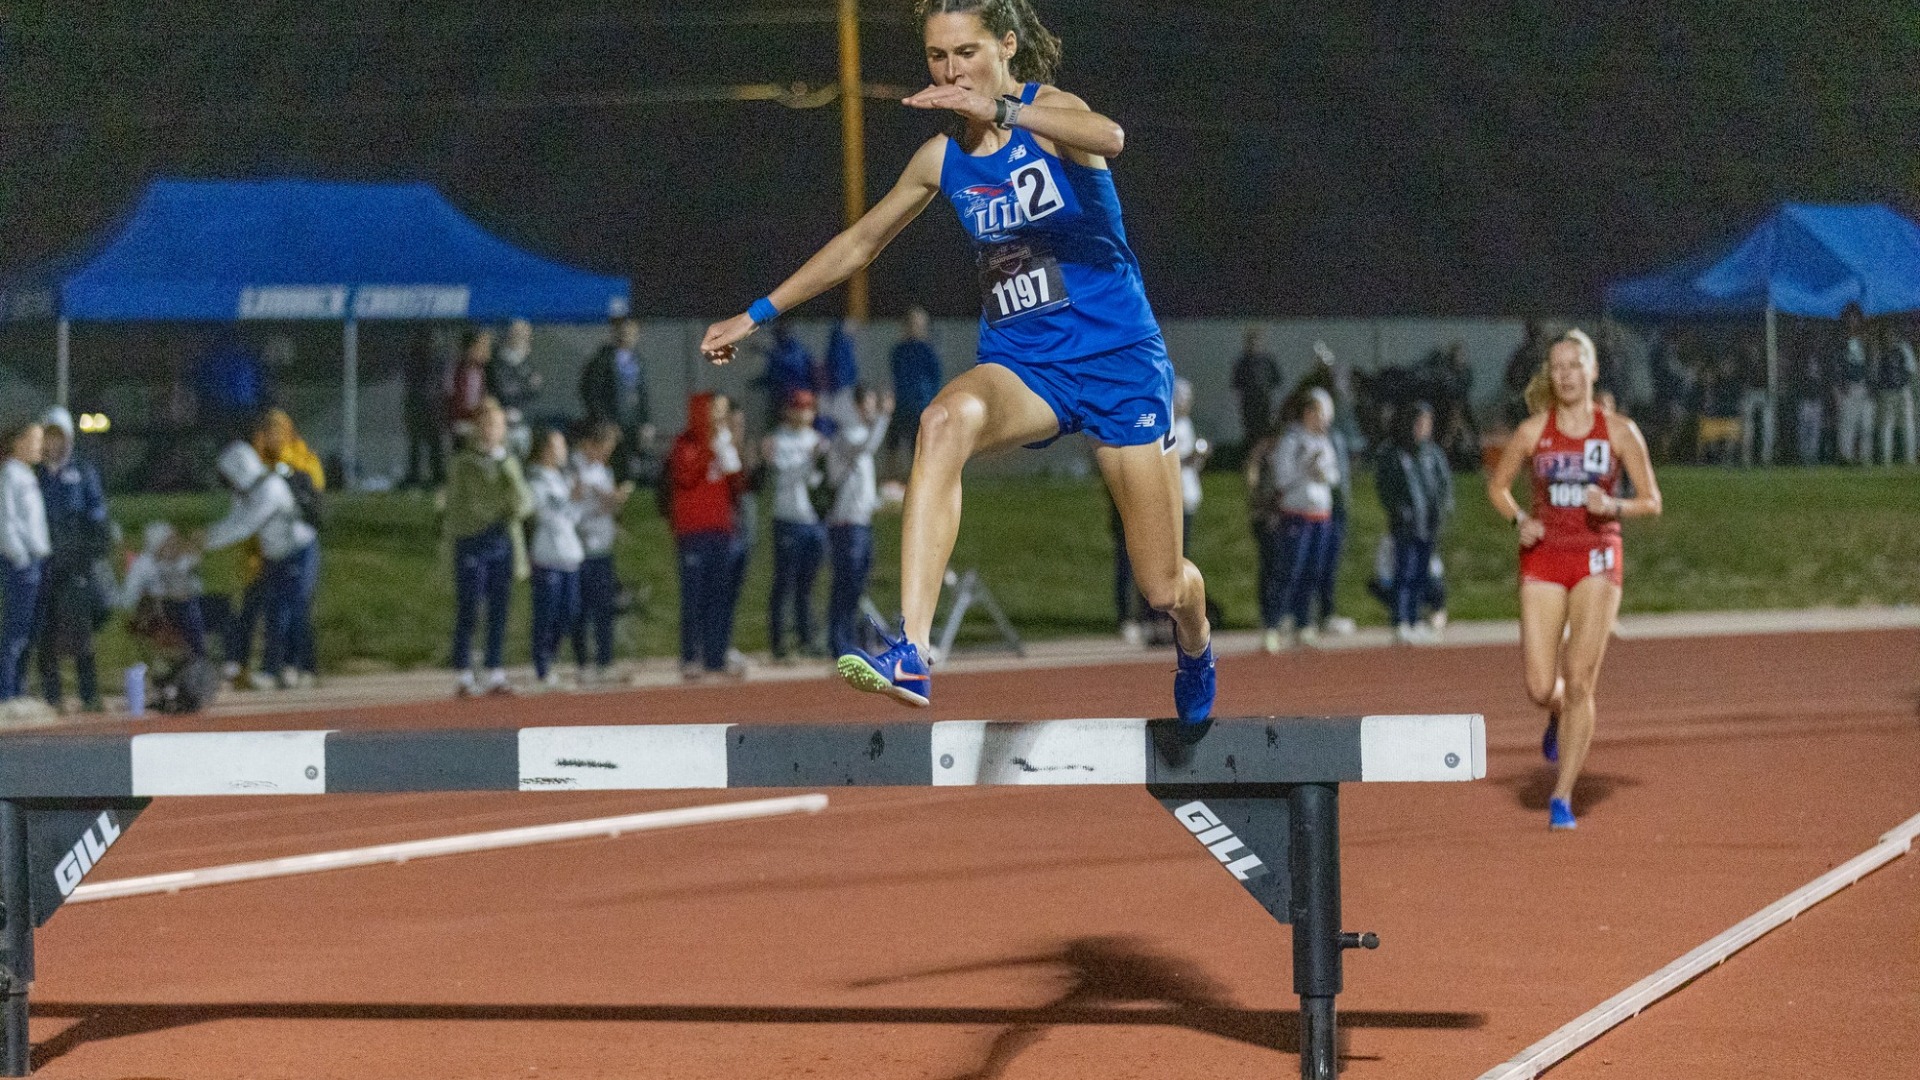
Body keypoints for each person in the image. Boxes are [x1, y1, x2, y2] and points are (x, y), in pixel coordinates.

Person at [699, 0, 1217, 719]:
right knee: (941, 422)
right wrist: (755, 314)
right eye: (939, 57)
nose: (951, 71)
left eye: (966, 53)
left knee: (1163, 586)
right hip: (1024, 365)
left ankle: (1196, 643)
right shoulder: (940, 160)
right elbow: (859, 244)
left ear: (1005, 47)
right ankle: (912, 650)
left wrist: (1005, 106)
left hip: (1118, 362)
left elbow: (1112, 136)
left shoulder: (1051, 111)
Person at [1486, 329, 1662, 831]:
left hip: (1598, 556)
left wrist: (1615, 505)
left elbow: (1652, 501)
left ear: (1593, 371)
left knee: (1581, 679)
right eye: (1556, 367)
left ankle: (1562, 795)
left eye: (1574, 365)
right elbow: (1498, 488)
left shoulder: (1621, 432)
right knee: (1542, 686)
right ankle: (1556, 712)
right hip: (1544, 557)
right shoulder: (1532, 431)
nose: (1565, 375)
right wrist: (1520, 521)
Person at [200, 440, 321, 692]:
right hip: (276, 556)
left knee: (292, 611)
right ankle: (284, 668)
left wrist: (205, 540)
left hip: (299, 551)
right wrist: (208, 537)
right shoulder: (246, 494)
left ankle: (292, 668)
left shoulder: (271, 488)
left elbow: (245, 526)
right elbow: (236, 520)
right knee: (276, 612)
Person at [443, 398, 533, 697]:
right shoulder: (464, 463)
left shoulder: (508, 461)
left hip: (501, 542)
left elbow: (524, 503)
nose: (491, 430)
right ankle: (465, 672)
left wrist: (508, 473)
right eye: (486, 424)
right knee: (469, 607)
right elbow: (463, 507)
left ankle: (495, 670)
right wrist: (497, 510)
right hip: (472, 541)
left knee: (499, 608)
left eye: (497, 425)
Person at [33, 407, 111, 712]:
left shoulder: (83, 472)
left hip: (75, 563)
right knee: (46, 631)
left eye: (59, 436)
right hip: (45, 564)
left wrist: (90, 550)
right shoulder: (35, 474)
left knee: (80, 630)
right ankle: (53, 695)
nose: (53, 443)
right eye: (48, 436)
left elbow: (96, 514)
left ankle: (89, 693)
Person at [666, 392, 748, 680]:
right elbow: (686, 475)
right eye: (716, 411)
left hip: (721, 529)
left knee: (720, 596)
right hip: (693, 531)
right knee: (694, 597)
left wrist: (735, 455)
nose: (720, 417)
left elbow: (737, 484)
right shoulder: (685, 443)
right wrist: (710, 449)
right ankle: (691, 656)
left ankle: (717, 655)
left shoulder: (724, 442)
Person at [1261, 389, 1338, 651]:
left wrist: (1321, 472)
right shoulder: (1292, 440)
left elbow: (1334, 476)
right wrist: (1307, 466)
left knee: (1313, 573)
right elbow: (1282, 478)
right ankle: (1273, 626)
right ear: (1308, 413)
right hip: (1296, 513)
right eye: (1319, 413)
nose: (1323, 420)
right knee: (1289, 571)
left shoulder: (1325, 441)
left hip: (1321, 514)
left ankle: (1303, 624)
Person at [1374, 402, 1453, 644]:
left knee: (1421, 573)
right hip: (1406, 524)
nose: (1423, 429)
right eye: (1419, 423)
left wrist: (1443, 508)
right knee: (1405, 572)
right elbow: (1385, 487)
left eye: (1427, 424)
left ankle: (1415, 619)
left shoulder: (1432, 453)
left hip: (1428, 523)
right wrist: (1399, 510)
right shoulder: (1394, 453)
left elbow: (1443, 483)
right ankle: (1401, 621)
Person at [826, 387, 895, 658]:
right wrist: (884, 418)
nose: (872, 410)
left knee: (858, 585)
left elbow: (861, 487)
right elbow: (865, 447)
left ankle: (850, 638)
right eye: (868, 404)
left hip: (861, 523)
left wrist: (882, 502)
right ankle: (839, 642)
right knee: (846, 583)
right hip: (846, 524)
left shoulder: (864, 436)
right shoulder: (849, 434)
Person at [764, 389, 829, 661]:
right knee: (784, 583)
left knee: (807, 584)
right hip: (788, 518)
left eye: (808, 408)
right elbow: (786, 474)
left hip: (813, 519)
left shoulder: (817, 440)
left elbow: (822, 480)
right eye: (799, 408)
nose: (804, 413)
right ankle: (778, 641)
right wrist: (810, 460)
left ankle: (806, 637)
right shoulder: (779, 439)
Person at [569, 420, 633, 685]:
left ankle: (605, 662)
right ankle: (583, 663)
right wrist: (601, 499)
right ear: (589, 444)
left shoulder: (601, 469)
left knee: (604, 606)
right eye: (604, 447)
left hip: (601, 546)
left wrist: (613, 508)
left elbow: (604, 504)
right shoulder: (573, 467)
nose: (606, 454)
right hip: (580, 547)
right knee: (580, 608)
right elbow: (573, 504)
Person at [525, 427, 584, 690]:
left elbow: (573, 516)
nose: (563, 452)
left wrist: (574, 502)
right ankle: (542, 666)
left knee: (568, 612)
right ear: (546, 449)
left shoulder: (561, 479)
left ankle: (551, 659)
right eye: (559, 446)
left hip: (568, 555)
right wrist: (568, 503)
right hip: (548, 555)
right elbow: (543, 513)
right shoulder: (536, 479)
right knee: (546, 614)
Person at [0, 420, 50, 702]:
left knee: (26, 633)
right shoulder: (10, 474)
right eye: (33, 440)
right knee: (15, 634)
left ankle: (17, 691)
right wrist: (21, 559)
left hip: (35, 562)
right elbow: (5, 523)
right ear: (18, 442)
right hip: (23, 564)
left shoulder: (26, 474)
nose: (39, 447)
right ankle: (6, 695)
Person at [579, 316, 655, 482]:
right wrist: (606, 422)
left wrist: (646, 422)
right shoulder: (602, 360)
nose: (627, 335)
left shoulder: (638, 360)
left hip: (632, 425)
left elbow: (642, 395)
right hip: (610, 426)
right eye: (624, 331)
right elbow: (590, 393)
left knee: (630, 468)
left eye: (632, 332)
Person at [886, 306, 944, 476]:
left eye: (918, 324)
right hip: (901, 404)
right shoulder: (899, 350)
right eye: (911, 323)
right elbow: (895, 375)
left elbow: (935, 378)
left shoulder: (928, 351)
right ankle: (893, 479)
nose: (915, 327)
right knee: (893, 443)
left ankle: (916, 479)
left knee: (916, 446)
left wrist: (930, 401)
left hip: (920, 405)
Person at [403, 326, 453, 489]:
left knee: (434, 443)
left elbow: (441, 384)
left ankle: (437, 475)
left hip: (432, 407)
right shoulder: (414, 359)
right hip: (420, 406)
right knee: (418, 444)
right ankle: (416, 475)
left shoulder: (438, 360)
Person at [490, 318, 545, 458]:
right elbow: (505, 391)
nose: (525, 339)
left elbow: (536, 386)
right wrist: (526, 386)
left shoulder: (524, 362)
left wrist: (526, 387)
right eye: (520, 335)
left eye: (526, 335)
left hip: (523, 421)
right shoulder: (498, 362)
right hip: (504, 421)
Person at [1229, 325, 1281, 449]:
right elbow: (1237, 385)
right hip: (1249, 404)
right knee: (1251, 433)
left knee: (1266, 432)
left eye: (1256, 341)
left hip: (1265, 404)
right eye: (1251, 341)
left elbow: (1277, 382)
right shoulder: (1242, 363)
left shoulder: (1267, 361)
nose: (1254, 344)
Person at [1836, 305, 1875, 465]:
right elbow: (1837, 364)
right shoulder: (1841, 342)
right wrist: (1839, 384)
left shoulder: (1866, 341)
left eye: (1855, 318)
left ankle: (1865, 457)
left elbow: (1872, 363)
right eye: (1850, 318)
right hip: (1849, 385)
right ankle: (1846, 456)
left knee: (1866, 424)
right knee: (1847, 424)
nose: (1852, 321)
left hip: (1864, 385)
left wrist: (1872, 384)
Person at [1874, 322, 1916, 466]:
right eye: (1887, 334)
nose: (1889, 336)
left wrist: (1903, 385)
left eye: (1891, 333)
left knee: (1907, 425)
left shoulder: (1903, 348)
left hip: (1902, 390)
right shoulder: (1880, 350)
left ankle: (1909, 458)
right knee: (1887, 425)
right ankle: (1886, 460)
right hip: (1887, 392)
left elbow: (1911, 371)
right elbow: (1876, 373)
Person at [447, 328, 496, 446]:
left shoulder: (483, 371)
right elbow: (452, 400)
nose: (487, 352)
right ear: (471, 348)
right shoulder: (456, 370)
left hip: (477, 422)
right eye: (483, 346)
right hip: (460, 424)